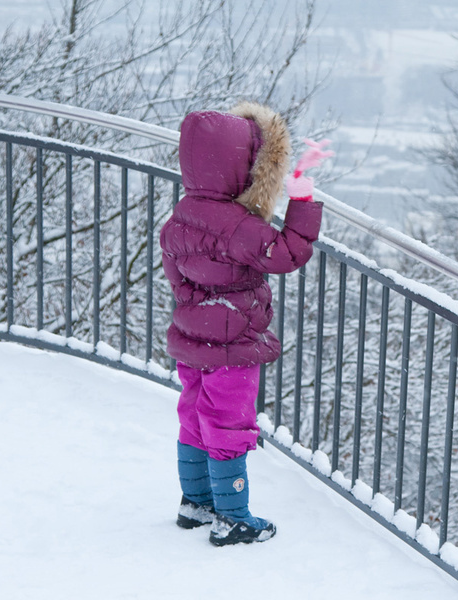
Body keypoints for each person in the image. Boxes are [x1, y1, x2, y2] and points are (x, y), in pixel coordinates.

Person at [160, 101, 332, 546]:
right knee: (229, 424)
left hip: (193, 338)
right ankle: (233, 517)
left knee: (194, 415)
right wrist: (303, 200)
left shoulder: (182, 215)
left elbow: (176, 275)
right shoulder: (238, 226)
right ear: (242, 167)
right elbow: (287, 254)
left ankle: (195, 503)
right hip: (233, 343)